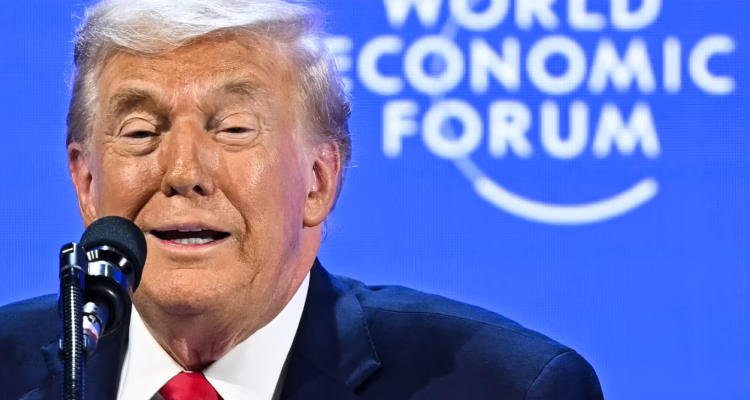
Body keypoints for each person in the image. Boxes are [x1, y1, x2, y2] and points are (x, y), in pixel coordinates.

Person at [0, 0, 603, 399]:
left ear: (318, 179)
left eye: (234, 128)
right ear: (86, 182)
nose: (183, 173)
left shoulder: (508, 387)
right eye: (139, 133)